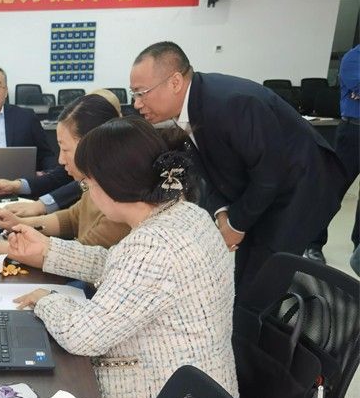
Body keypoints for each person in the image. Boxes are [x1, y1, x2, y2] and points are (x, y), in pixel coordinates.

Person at [8, 116, 238, 398]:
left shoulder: (153, 244)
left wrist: (47, 301)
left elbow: (81, 335)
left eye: (88, 184)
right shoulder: (187, 214)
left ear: (112, 184)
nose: (89, 194)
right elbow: (119, 268)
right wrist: (48, 251)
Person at [129, 41, 347, 300]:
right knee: (245, 274)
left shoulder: (231, 104)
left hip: (300, 187)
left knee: (264, 277)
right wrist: (223, 213)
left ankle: (255, 320)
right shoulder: (191, 104)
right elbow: (210, 168)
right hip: (263, 187)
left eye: (142, 93)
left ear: (175, 82)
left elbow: (269, 175)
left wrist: (236, 223)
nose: (137, 103)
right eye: (134, 94)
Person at [0, 94, 129, 261]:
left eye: (66, 149)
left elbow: (82, 261)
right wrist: (18, 223)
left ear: (92, 146)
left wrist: (4, 248)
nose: (61, 160)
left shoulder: (122, 202)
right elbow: (72, 218)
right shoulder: (95, 184)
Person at [0, 89, 122, 216]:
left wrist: (41, 206)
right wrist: (16, 186)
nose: (61, 159)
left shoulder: (117, 194)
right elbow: (59, 177)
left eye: (65, 149)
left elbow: (79, 189)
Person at [335, 45, 360, 256]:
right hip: (353, 132)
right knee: (334, 189)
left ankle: (358, 246)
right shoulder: (353, 58)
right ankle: (314, 243)